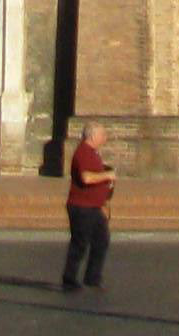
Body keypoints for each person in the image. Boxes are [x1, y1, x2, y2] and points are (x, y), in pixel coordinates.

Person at [60, 121, 114, 292]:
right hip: (81, 206)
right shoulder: (83, 152)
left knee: (102, 240)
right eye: (102, 135)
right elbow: (86, 178)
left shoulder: (93, 153)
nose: (105, 138)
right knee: (80, 243)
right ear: (92, 136)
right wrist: (107, 175)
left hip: (94, 206)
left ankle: (92, 277)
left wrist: (104, 202)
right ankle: (69, 278)